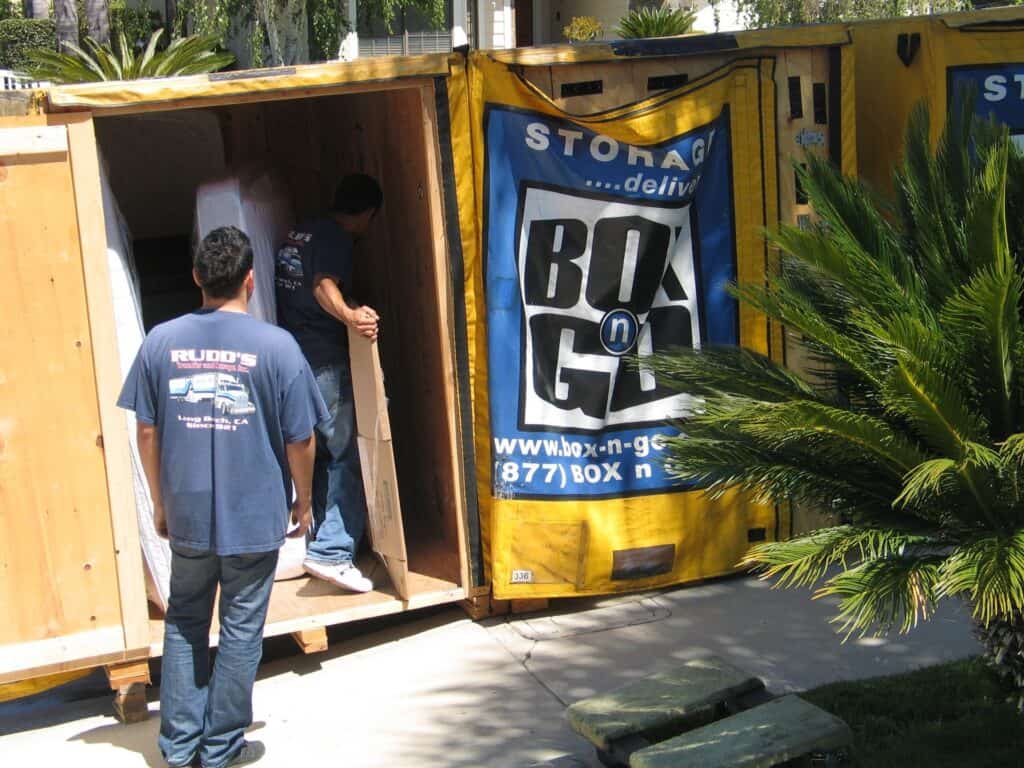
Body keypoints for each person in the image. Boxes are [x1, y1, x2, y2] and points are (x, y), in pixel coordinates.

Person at [118, 226, 328, 768]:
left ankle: (180, 745)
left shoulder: (160, 341)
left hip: (186, 508)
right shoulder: (277, 346)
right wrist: (303, 500)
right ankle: (220, 747)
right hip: (252, 510)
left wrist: (162, 502)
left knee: (185, 620)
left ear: (196, 278)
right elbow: (300, 438)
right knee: (240, 627)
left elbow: (146, 431)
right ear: (252, 281)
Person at [274, 173, 382, 593]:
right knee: (341, 453)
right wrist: (351, 316)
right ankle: (333, 552)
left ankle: (317, 542)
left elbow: (306, 286)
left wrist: (347, 305)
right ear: (368, 214)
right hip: (321, 360)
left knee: (313, 451)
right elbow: (322, 286)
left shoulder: (300, 232)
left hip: (292, 357)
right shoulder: (336, 238)